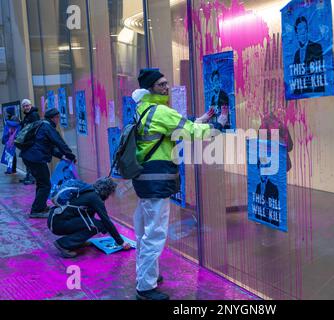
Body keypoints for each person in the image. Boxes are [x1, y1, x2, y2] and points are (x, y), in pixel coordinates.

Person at [131, 68, 228, 300]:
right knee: (155, 232)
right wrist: (218, 125)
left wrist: (200, 119)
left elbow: (174, 129)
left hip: (144, 178)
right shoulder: (161, 111)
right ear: (150, 88)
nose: (166, 88)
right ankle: (145, 287)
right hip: (156, 180)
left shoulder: (143, 108)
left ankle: (148, 274)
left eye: (166, 84)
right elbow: (191, 132)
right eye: (161, 84)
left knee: (144, 231)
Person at [48, 177, 131, 258]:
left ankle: (78, 242)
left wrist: (108, 232)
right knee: (97, 225)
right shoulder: (94, 198)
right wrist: (121, 242)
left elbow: (88, 216)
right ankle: (64, 244)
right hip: (59, 224)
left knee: (94, 222)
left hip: (56, 220)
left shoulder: (87, 191)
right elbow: (106, 221)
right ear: (107, 192)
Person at [21, 108, 76, 219]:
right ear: (54, 118)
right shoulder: (48, 127)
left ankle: (40, 206)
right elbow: (59, 143)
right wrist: (71, 156)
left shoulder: (42, 124)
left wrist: (61, 156)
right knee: (45, 184)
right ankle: (36, 210)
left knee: (42, 183)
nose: (58, 120)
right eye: (58, 118)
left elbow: (48, 147)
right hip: (35, 158)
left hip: (30, 157)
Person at [293, 16, 324, 94]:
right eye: (300, 29)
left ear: (307, 31)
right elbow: (295, 79)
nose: (303, 32)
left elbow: (321, 74)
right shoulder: (296, 54)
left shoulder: (316, 47)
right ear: (296, 33)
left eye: (304, 29)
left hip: (315, 94)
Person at [20, 99, 40, 185]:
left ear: (30, 105)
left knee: (30, 160)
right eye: (24, 106)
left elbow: (35, 128)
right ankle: (28, 175)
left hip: (32, 142)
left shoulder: (34, 114)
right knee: (27, 159)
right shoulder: (27, 115)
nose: (26, 107)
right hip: (27, 142)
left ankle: (32, 177)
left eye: (27, 105)